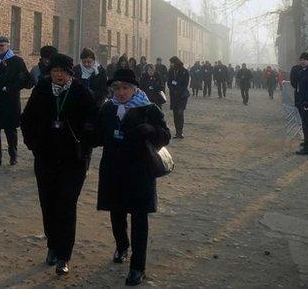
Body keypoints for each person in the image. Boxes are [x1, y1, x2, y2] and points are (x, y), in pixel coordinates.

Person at [93, 62, 171, 286]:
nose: (121, 92)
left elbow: (165, 136)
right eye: (117, 88)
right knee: (116, 213)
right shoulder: (108, 108)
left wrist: (152, 131)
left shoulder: (149, 108)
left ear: (135, 88)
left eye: (125, 88)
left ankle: (138, 266)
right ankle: (122, 245)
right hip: (114, 170)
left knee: (139, 218)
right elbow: (99, 135)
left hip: (140, 172)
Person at [21, 53, 99, 276]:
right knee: (48, 204)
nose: (58, 75)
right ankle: (52, 246)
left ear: (70, 73)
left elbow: (93, 121)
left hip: (72, 161)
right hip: (45, 159)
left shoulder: (81, 92)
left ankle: (64, 255)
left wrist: (84, 143)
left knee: (66, 206)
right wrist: (33, 144)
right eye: (55, 71)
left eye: (63, 71)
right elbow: (26, 119)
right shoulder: (42, 90)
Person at [0, 35, 32, 166]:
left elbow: (24, 80)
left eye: (2, 46)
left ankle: (13, 155)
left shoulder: (17, 61)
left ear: (8, 46)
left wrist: (10, 88)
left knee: (10, 129)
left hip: (10, 100)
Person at [166, 57, 190, 139]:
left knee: (180, 113)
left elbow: (186, 84)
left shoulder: (184, 71)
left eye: (172, 62)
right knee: (175, 114)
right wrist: (173, 90)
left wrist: (179, 91)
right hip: (173, 95)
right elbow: (169, 82)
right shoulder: (171, 71)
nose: (171, 64)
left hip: (182, 96)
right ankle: (177, 132)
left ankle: (180, 132)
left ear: (176, 62)